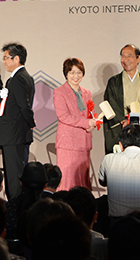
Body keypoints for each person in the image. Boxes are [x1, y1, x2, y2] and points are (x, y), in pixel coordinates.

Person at [0, 43, 35, 200]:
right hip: (14, 134)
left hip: (14, 135)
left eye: (6, 58)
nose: (4, 62)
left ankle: (14, 210)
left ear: (17, 59)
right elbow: (12, 108)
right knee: (14, 174)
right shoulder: (24, 77)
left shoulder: (18, 79)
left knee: (13, 177)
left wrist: (31, 123)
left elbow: (24, 107)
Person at [103, 44, 140, 154]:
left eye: (129, 56)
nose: (125, 60)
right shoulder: (114, 82)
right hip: (122, 129)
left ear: (138, 58)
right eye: (123, 56)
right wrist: (122, 120)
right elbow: (111, 103)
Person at [53, 58, 96, 191]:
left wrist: (93, 122)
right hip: (68, 143)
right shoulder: (59, 92)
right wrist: (86, 122)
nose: (75, 76)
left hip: (84, 141)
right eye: (72, 72)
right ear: (66, 74)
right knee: (67, 179)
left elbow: (90, 113)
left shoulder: (86, 92)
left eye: (79, 72)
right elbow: (63, 116)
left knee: (82, 179)